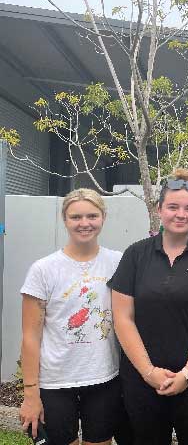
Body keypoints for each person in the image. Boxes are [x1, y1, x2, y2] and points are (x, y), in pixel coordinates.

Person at [109, 169, 188, 445]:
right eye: (173, 207)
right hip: (142, 374)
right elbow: (122, 318)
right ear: (159, 208)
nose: (181, 214)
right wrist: (149, 373)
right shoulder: (135, 255)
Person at [19, 188, 127, 445]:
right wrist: (30, 393)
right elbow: (30, 337)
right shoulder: (43, 270)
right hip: (55, 381)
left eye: (92, 215)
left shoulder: (118, 262)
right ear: (64, 220)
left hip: (104, 376)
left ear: (103, 217)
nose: (84, 223)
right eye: (76, 217)